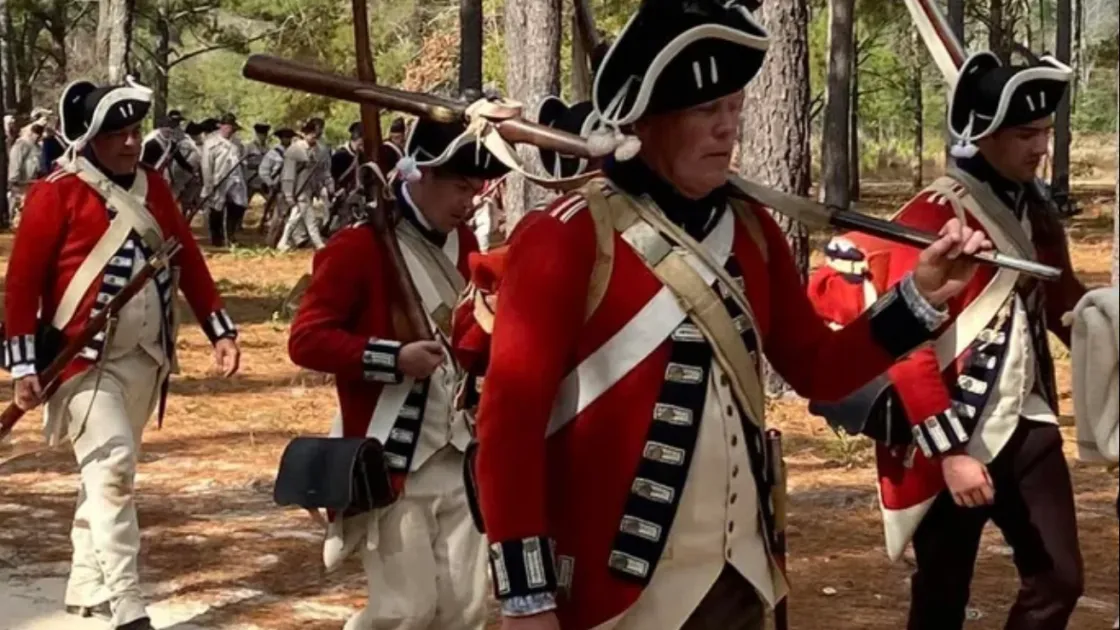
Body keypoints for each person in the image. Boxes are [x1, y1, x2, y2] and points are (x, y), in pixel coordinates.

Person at [456, 2, 993, 630]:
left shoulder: (751, 231)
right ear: (649, 121)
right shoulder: (567, 238)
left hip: (741, 577)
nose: (728, 129)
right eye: (706, 111)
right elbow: (510, 426)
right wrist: (528, 598)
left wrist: (920, 297)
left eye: (734, 107)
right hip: (614, 590)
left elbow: (816, 368)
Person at [808, 51, 1087, 630]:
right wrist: (951, 453)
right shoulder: (933, 214)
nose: (1041, 148)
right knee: (942, 593)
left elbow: (1064, 309)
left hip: (1026, 421)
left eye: (1044, 132)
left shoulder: (1034, 211)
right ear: (984, 136)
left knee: (1059, 579)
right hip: (949, 429)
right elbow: (905, 343)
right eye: (1025, 134)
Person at [2, 76, 240, 630]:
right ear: (89, 138)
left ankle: (87, 589)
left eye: (135, 131)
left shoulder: (154, 187)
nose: (132, 142)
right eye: (118, 134)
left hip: (144, 359)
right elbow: (22, 286)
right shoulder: (55, 192)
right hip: (81, 361)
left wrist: (219, 330)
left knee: (105, 474)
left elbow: (189, 263)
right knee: (112, 471)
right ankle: (130, 606)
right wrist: (21, 368)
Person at [288, 117, 509, 630]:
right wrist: (392, 357)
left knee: (466, 610)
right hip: (395, 455)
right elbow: (307, 340)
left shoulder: (465, 249)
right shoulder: (359, 247)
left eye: (476, 188)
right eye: (459, 187)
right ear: (421, 176)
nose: (470, 200)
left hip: (461, 452)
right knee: (404, 612)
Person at [277, 120, 332, 251]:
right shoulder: (294, 150)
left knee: (295, 217)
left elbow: (323, 170)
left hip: (311, 187)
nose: (314, 136)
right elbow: (288, 174)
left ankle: (282, 242)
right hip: (299, 189)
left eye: (317, 134)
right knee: (309, 217)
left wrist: (328, 184)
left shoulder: (321, 150)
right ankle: (318, 243)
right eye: (312, 133)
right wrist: (289, 194)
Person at [201, 113, 249, 246]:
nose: (229, 130)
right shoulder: (211, 143)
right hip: (218, 180)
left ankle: (231, 235)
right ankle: (217, 238)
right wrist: (208, 185)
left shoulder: (237, 143)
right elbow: (206, 166)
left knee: (237, 207)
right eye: (227, 126)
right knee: (216, 209)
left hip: (236, 179)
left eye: (231, 127)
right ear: (221, 126)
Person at [7, 122, 44, 222]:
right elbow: (15, 161)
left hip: (32, 183)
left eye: (39, 134)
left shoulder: (38, 147)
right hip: (21, 183)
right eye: (36, 133)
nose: (37, 136)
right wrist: (14, 178)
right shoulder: (21, 144)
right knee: (17, 209)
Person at [243, 122, 271, 203]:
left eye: (264, 134)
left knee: (270, 203)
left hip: (263, 181)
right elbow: (243, 162)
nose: (263, 136)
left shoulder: (268, 149)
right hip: (250, 180)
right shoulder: (248, 147)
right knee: (243, 204)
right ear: (257, 134)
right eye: (261, 134)